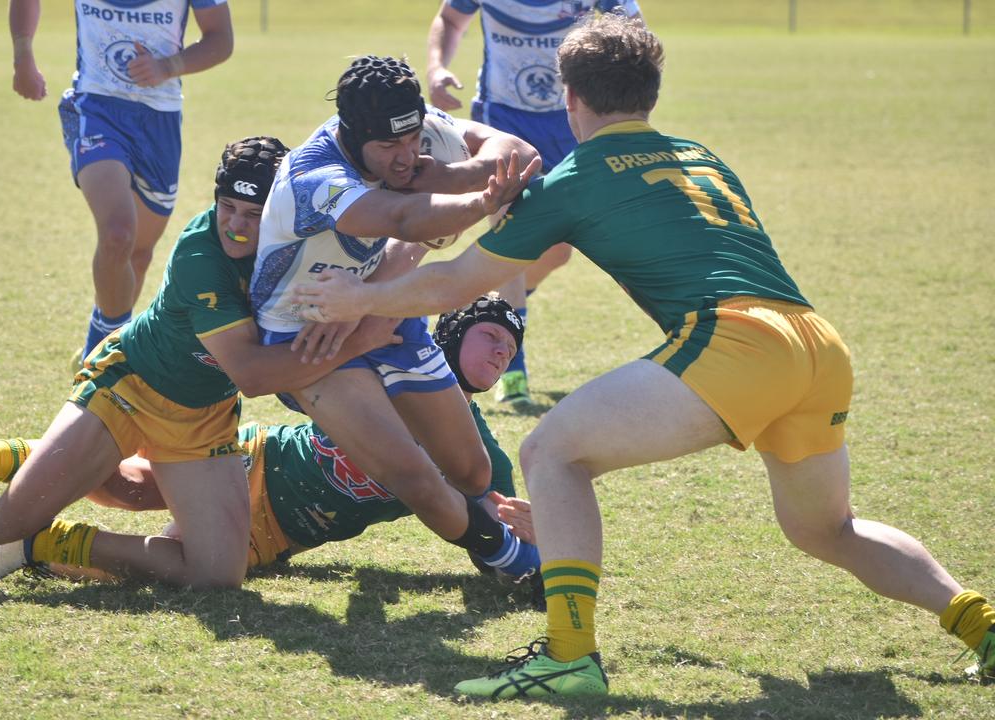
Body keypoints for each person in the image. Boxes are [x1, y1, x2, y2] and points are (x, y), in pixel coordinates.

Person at [291, 14, 995, 697]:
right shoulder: (700, 155)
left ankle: (569, 657)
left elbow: (453, 283)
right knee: (826, 528)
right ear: (649, 94)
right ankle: (982, 623)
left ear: (569, 97)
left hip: (740, 344)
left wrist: (355, 300)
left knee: (551, 454)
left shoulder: (574, 178)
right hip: (815, 342)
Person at [0, 138, 537, 591]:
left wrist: (473, 196)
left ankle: (48, 545)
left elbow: (395, 220)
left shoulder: (302, 237)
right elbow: (251, 371)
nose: (241, 228)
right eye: (229, 210)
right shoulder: (200, 255)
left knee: (216, 574)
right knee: (25, 504)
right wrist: (359, 336)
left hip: (206, 418)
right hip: (135, 390)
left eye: (255, 215)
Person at [0, 297, 541, 587]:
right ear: (451, 336)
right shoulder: (378, 376)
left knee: (181, 564)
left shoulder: (480, 457)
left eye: (509, 350)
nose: (500, 353)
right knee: (124, 486)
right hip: (257, 455)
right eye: (490, 337)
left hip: (281, 530)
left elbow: (491, 533)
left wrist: (533, 545)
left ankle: (39, 543)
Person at [249, 56, 543, 585]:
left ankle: (495, 546)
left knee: (471, 470)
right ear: (351, 135)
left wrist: (451, 173)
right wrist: (484, 198)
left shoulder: (406, 125)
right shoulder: (315, 176)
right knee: (413, 474)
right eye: (389, 149)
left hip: (377, 308)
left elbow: (519, 151)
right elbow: (402, 217)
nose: (408, 157)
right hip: (306, 339)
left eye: (413, 141)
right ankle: (512, 562)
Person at [427, 0, 643, 407]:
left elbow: (634, 29)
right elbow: (450, 19)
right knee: (511, 241)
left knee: (559, 250)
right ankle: (513, 375)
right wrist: (437, 67)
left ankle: (499, 302)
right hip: (502, 119)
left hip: (573, 118)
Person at [8, 0, 235, 363]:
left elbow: (221, 38)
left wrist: (168, 66)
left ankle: (107, 337)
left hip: (159, 121)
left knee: (139, 254)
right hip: (96, 108)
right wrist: (23, 54)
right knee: (118, 234)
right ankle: (101, 357)